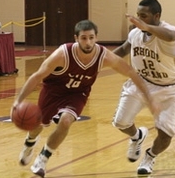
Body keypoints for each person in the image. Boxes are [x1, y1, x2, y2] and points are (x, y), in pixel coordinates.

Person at [13, 19, 155, 178]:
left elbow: (130, 72)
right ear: (76, 38)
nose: (88, 42)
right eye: (84, 38)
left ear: (96, 37)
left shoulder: (104, 56)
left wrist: (149, 96)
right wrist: (18, 101)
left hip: (77, 94)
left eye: (91, 37)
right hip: (53, 91)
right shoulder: (62, 54)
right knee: (38, 125)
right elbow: (37, 76)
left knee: (65, 121)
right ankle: (29, 143)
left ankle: (43, 159)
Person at [112, 0, 175, 176]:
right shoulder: (135, 33)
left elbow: (171, 36)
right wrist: (99, 61)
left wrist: (146, 27)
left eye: (143, 16)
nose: (139, 19)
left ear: (156, 16)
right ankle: (137, 136)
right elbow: (123, 49)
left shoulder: (169, 32)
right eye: (137, 15)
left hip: (170, 88)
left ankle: (150, 156)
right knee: (120, 122)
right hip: (141, 83)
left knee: (166, 135)